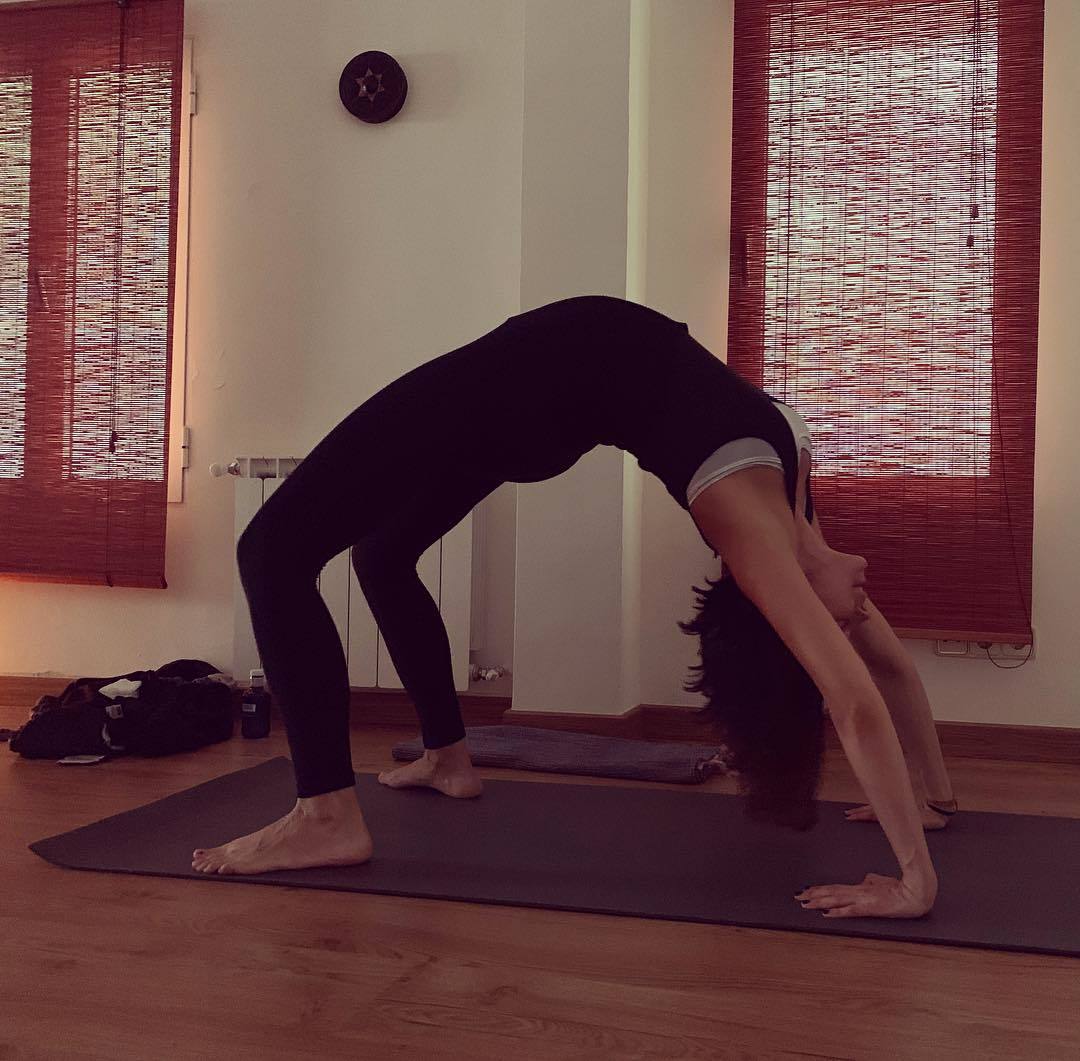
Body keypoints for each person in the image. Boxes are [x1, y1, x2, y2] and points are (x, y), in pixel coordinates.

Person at [192, 295, 956, 921]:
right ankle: (448, 757)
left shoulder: (756, 531)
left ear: (784, 611)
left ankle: (326, 813)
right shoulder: (796, 508)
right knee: (383, 554)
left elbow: (854, 700)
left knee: (271, 549)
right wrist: (933, 798)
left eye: (830, 626)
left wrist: (914, 880)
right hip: (540, 404)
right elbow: (886, 668)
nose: (854, 615)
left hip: (519, 390)